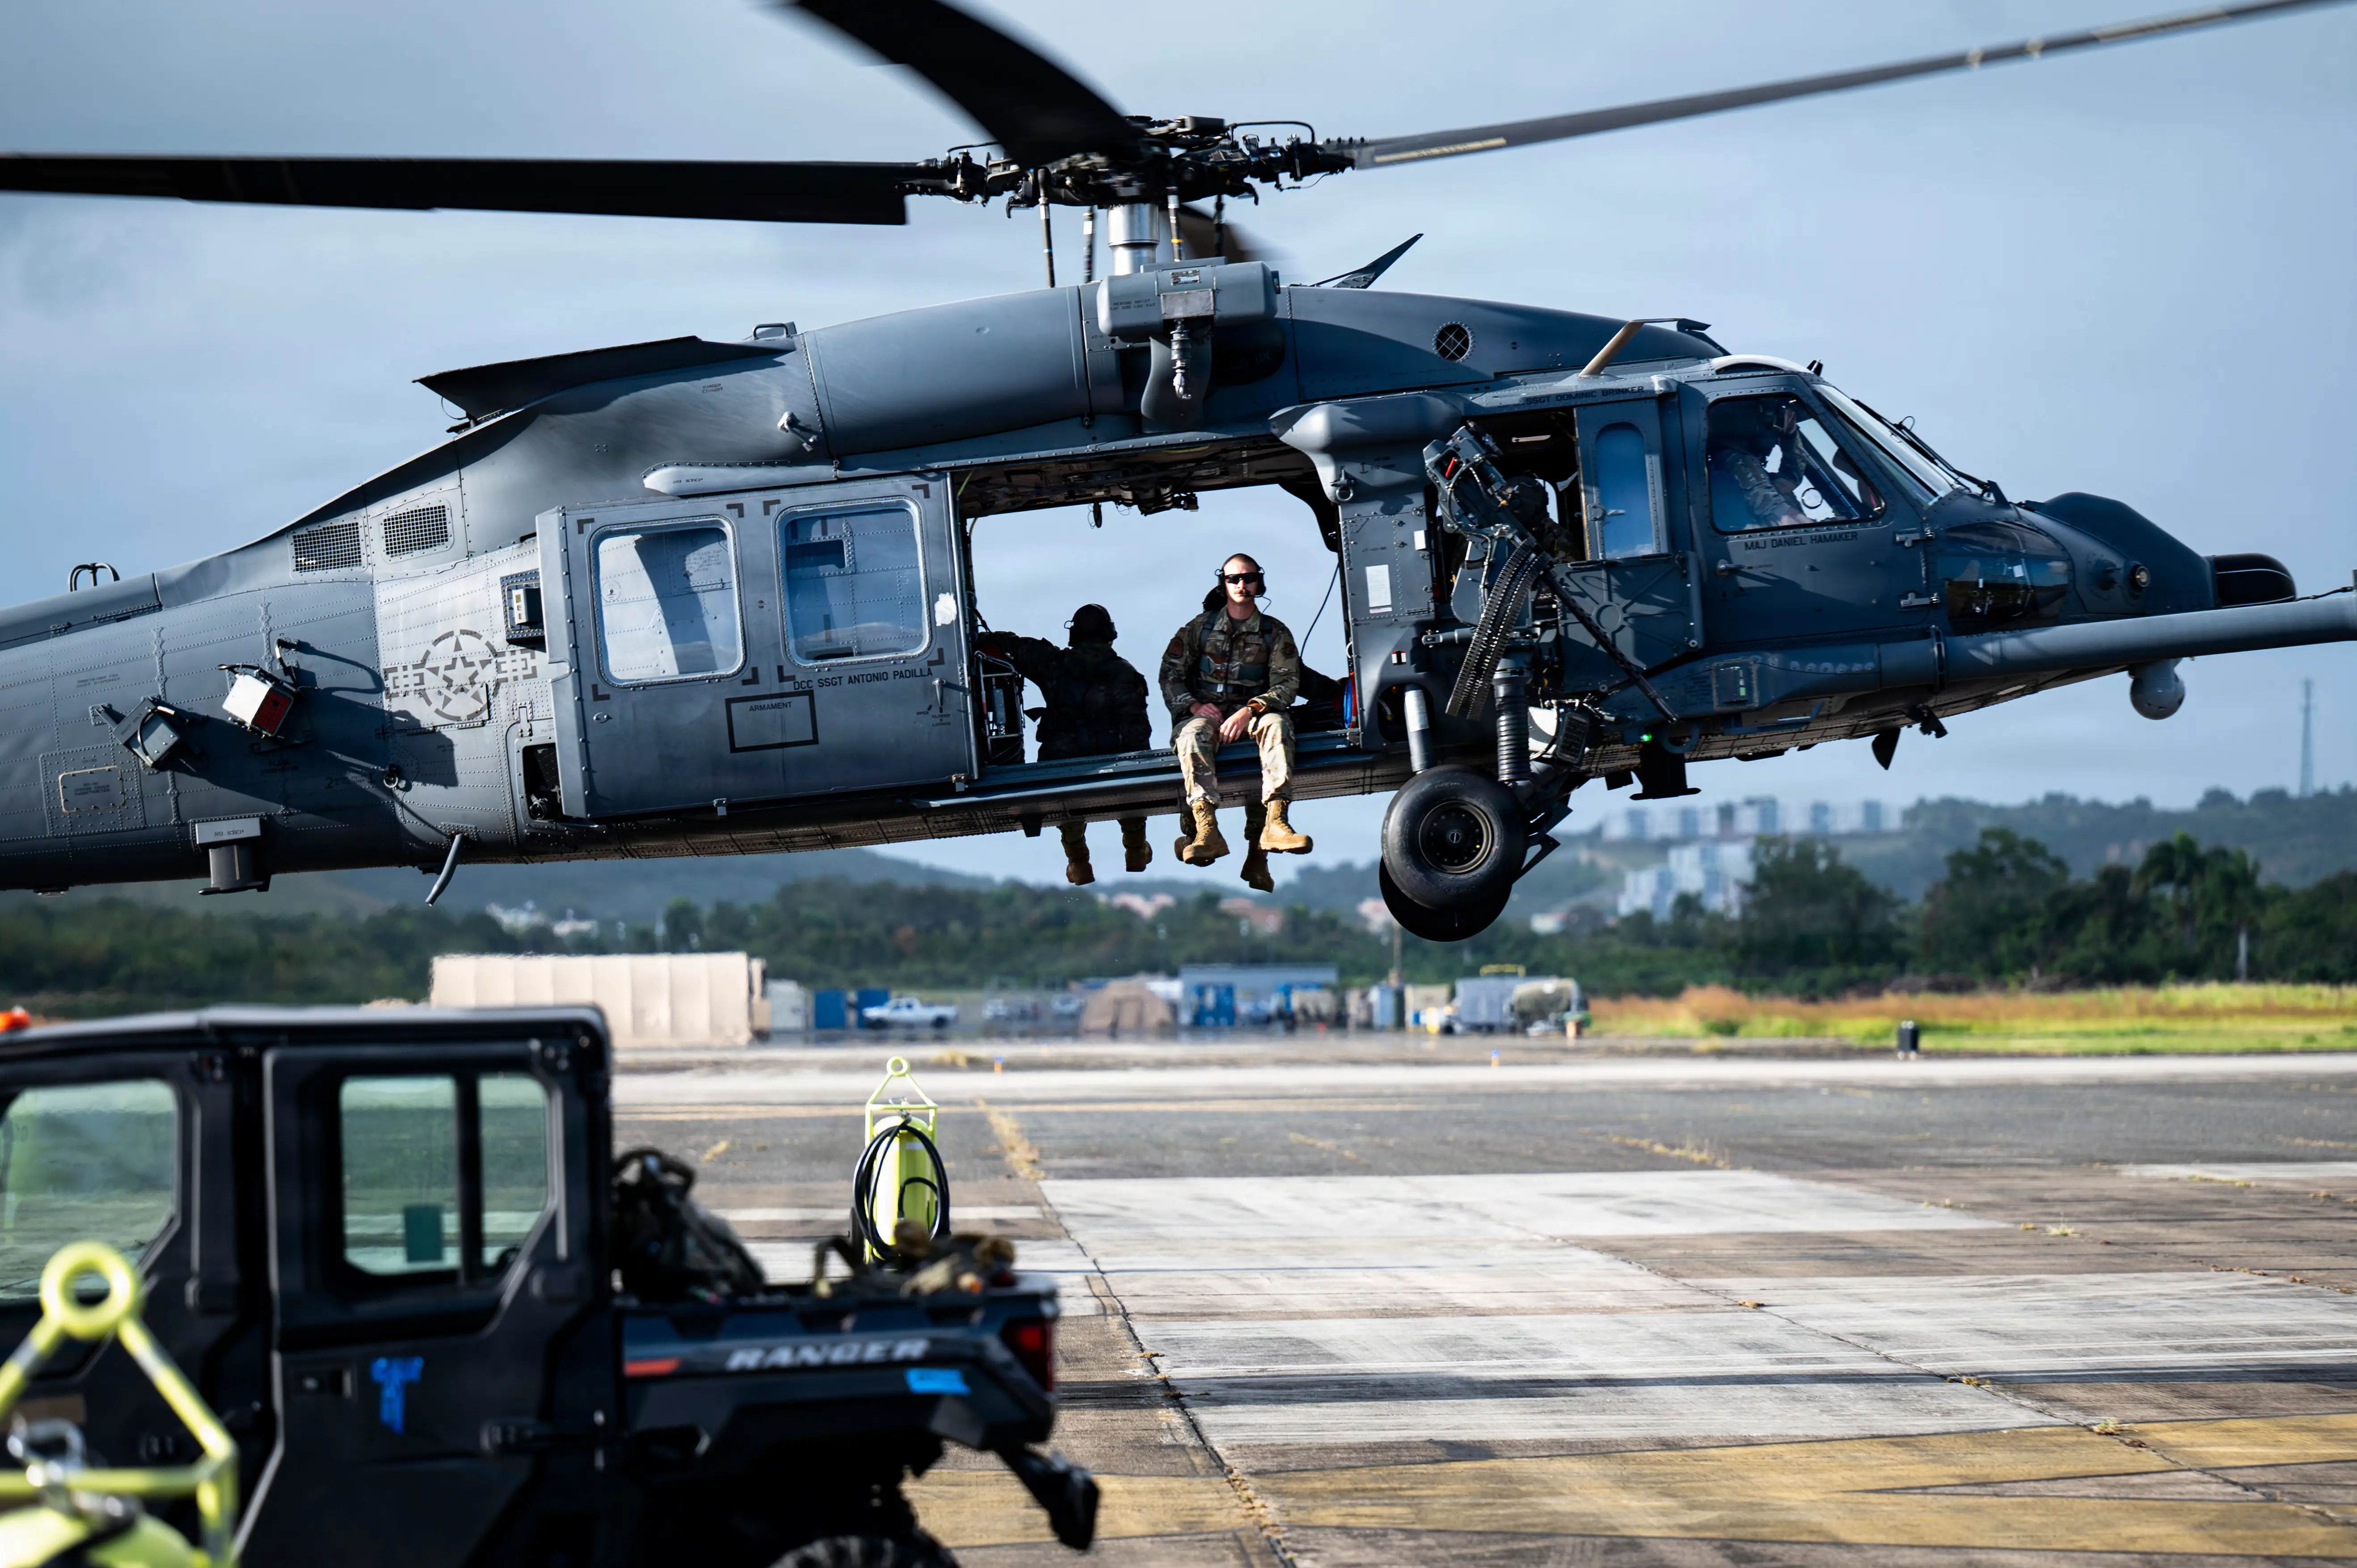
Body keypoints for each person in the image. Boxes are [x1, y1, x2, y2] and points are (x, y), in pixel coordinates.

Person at [1158, 553, 1311, 892]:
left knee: (1277, 725)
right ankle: (1205, 829)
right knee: (1192, 735)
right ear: (1222, 584)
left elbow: (1287, 684)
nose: (1241, 585)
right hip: (1207, 716)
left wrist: (1250, 710)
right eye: (1233, 579)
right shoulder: (1199, 629)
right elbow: (1170, 675)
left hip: (1253, 715)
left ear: (1259, 582)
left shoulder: (1275, 632)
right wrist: (1195, 705)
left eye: (1248, 578)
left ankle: (1277, 822)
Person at [977, 604, 1151, 886]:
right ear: (1109, 634)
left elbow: (1013, 645)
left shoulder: (1052, 663)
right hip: (1113, 756)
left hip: (1063, 757)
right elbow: (1137, 730)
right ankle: (1135, 850)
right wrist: (1140, 770)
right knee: (1131, 796)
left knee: (1067, 804)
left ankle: (1079, 862)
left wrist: (982, 637)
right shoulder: (1126, 673)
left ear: (1074, 634)